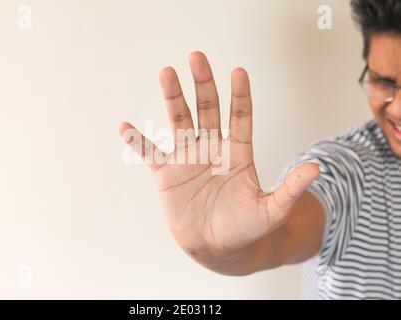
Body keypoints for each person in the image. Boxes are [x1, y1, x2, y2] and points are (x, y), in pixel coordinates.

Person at [118, 0, 401, 299]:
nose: (396, 108)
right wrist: (224, 248)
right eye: (383, 82)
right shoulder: (348, 170)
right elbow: (281, 237)